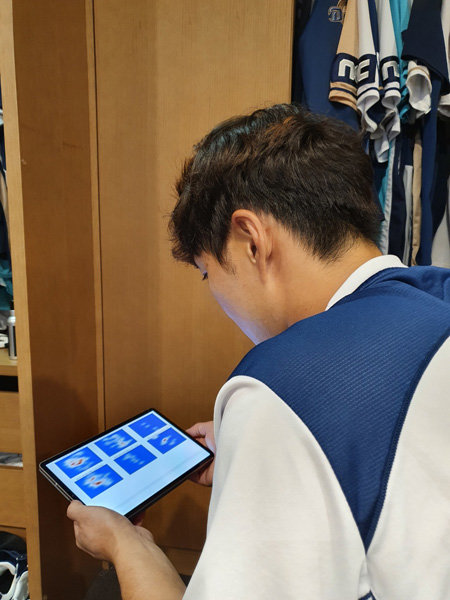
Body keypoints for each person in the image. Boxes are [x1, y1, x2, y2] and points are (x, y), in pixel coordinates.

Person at [67, 104, 450, 600]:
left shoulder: (283, 386)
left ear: (251, 239)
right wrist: (266, 445)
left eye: (208, 272)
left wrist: (127, 545)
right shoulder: (436, 294)